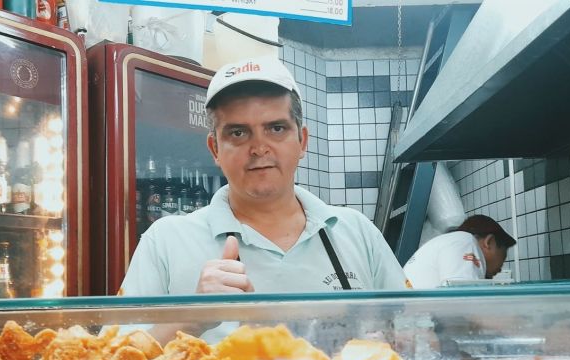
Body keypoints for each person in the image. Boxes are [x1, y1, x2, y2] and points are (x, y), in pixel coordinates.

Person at [119, 56, 407, 299]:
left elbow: (417, 334)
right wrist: (190, 317)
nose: (259, 148)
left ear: (303, 141)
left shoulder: (356, 232)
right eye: (238, 133)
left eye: (276, 128)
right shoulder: (166, 241)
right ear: (215, 149)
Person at [403, 214, 516, 289]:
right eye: (503, 255)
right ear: (489, 242)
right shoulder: (465, 241)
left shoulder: (450, 241)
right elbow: (464, 303)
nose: (501, 266)